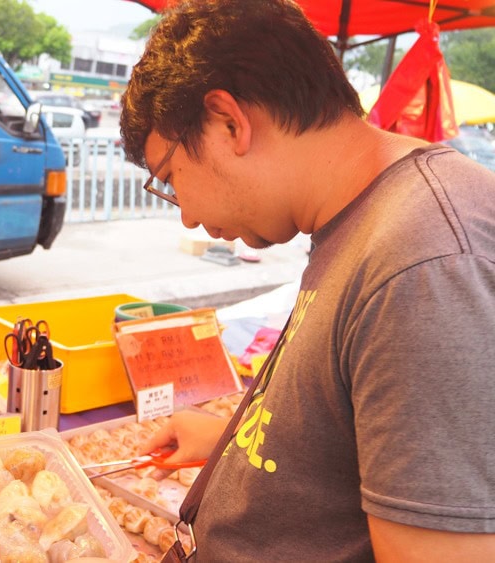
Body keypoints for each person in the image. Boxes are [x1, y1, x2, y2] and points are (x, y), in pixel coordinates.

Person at [121, 0, 495, 560]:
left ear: (229, 120)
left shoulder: (424, 259)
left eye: (172, 178)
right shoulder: (363, 220)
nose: (188, 215)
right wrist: (229, 446)